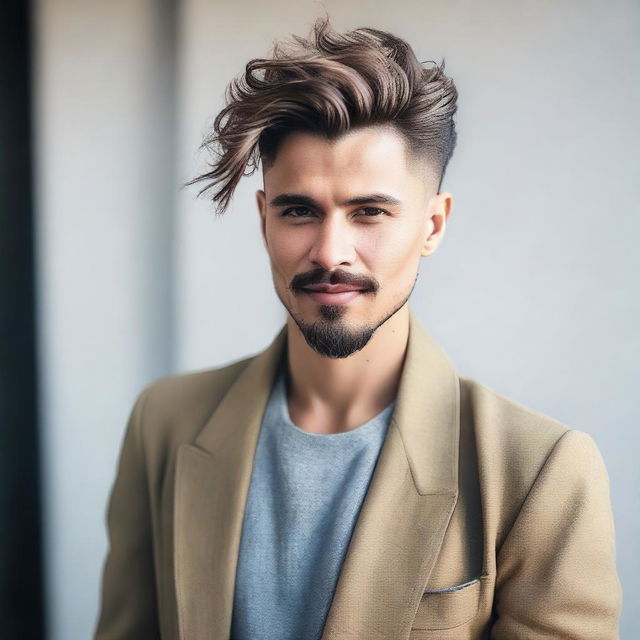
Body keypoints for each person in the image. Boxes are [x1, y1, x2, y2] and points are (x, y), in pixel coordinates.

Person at [94, 16, 622, 640]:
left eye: (369, 212)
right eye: (299, 211)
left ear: (432, 225)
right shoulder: (165, 422)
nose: (329, 251)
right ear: (264, 219)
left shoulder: (539, 470)